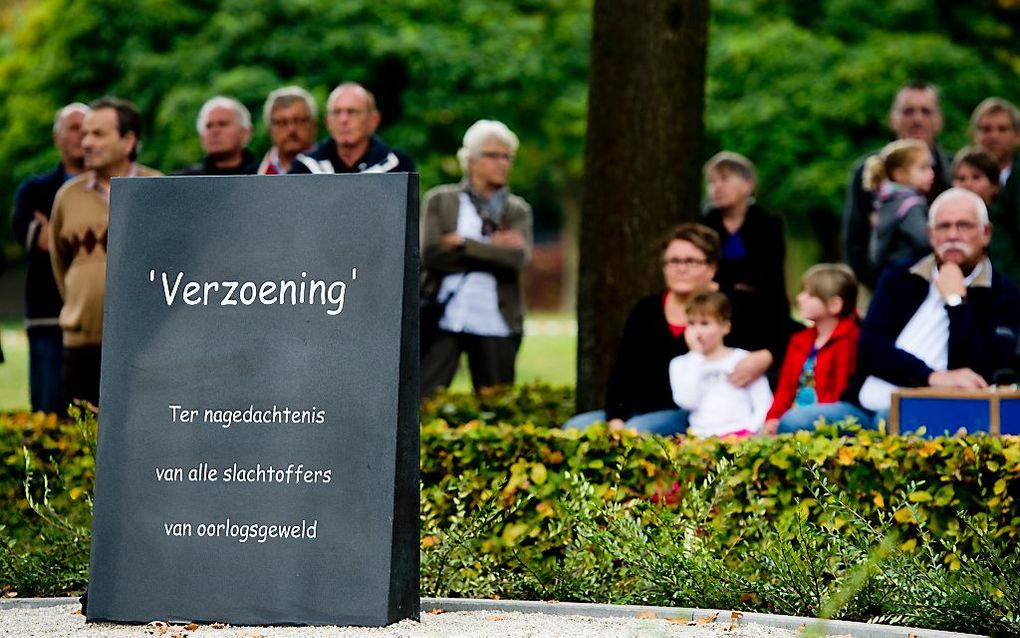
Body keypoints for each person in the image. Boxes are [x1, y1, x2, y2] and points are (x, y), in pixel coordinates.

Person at [783, 188, 1020, 431]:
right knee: (793, 423)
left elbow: (982, 368)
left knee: (893, 418)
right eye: (943, 226)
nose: (952, 235)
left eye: (964, 226)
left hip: (943, 410)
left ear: (986, 233)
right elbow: (870, 347)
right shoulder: (901, 277)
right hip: (864, 406)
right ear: (930, 234)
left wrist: (956, 302)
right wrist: (931, 377)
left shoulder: (1004, 294)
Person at [49, 97, 162, 406]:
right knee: (79, 445)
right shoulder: (67, 198)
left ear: (128, 141)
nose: (85, 142)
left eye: (98, 134)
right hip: (82, 348)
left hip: (147, 348)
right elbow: (61, 265)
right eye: (84, 133)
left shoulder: (160, 190)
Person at [420, 120, 531, 397]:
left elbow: (516, 260)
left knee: (496, 404)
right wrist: (493, 249)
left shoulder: (516, 210)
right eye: (493, 155)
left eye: (508, 157)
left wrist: (463, 243)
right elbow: (431, 254)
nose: (503, 163)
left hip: (496, 319)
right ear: (470, 161)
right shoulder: (441, 200)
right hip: (444, 314)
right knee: (425, 399)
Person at [11, 102, 87, 413]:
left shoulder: (113, 188)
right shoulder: (35, 190)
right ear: (58, 138)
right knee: (49, 414)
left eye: (89, 130)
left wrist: (55, 229)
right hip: (48, 319)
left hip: (97, 324)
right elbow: (40, 241)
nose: (82, 136)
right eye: (73, 128)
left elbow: (54, 240)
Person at [844, 82, 953, 289]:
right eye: (908, 111)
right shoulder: (867, 171)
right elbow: (854, 240)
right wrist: (880, 282)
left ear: (939, 121)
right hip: (887, 286)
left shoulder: (956, 170)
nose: (917, 119)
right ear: (893, 120)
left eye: (925, 111)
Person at [701, 151, 790, 380]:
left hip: (760, 317)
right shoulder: (704, 226)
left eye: (724, 179)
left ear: (748, 184)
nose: (716, 188)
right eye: (712, 182)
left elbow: (771, 282)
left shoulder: (767, 225)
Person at [763, 264, 860, 435]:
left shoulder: (850, 338)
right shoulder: (799, 340)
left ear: (834, 304)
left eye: (809, 294)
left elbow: (840, 393)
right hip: (792, 419)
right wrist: (772, 418)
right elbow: (784, 389)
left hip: (825, 423)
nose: (800, 298)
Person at [669, 291, 772, 438]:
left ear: (725, 327)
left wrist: (751, 431)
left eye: (705, 323)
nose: (697, 331)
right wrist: (697, 355)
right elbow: (687, 401)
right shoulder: (680, 364)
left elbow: (764, 403)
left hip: (742, 436)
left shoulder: (743, 359)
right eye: (691, 323)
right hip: (701, 440)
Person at [289, 82, 414, 174]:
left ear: (373, 120)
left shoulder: (397, 167)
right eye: (336, 112)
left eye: (352, 112)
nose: (343, 120)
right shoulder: (304, 168)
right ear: (328, 121)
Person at [862, 139, 934, 276]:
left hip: (889, 272)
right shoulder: (910, 204)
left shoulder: (887, 201)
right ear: (899, 174)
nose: (931, 173)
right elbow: (925, 241)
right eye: (923, 168)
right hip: (908, 273)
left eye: (931, 167)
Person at [971, 98, 1020, 283]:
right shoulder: (961, 175)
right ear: (974, 134)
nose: (994, 136)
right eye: (986, 129)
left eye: (1002, 129)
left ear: (1017, 135)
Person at [175, 96, 259, 176]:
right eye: (208, 126)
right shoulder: (183, 183)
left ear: (245, 132)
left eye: (223, 124)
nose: (214, 131)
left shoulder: (265, 174)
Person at [257, 86, 318, 175]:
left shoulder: (335, 169)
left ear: (313, 125)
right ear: (269, 129)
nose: (291, 129)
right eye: (282, 122)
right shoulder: (249, 177)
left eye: (298, 120)